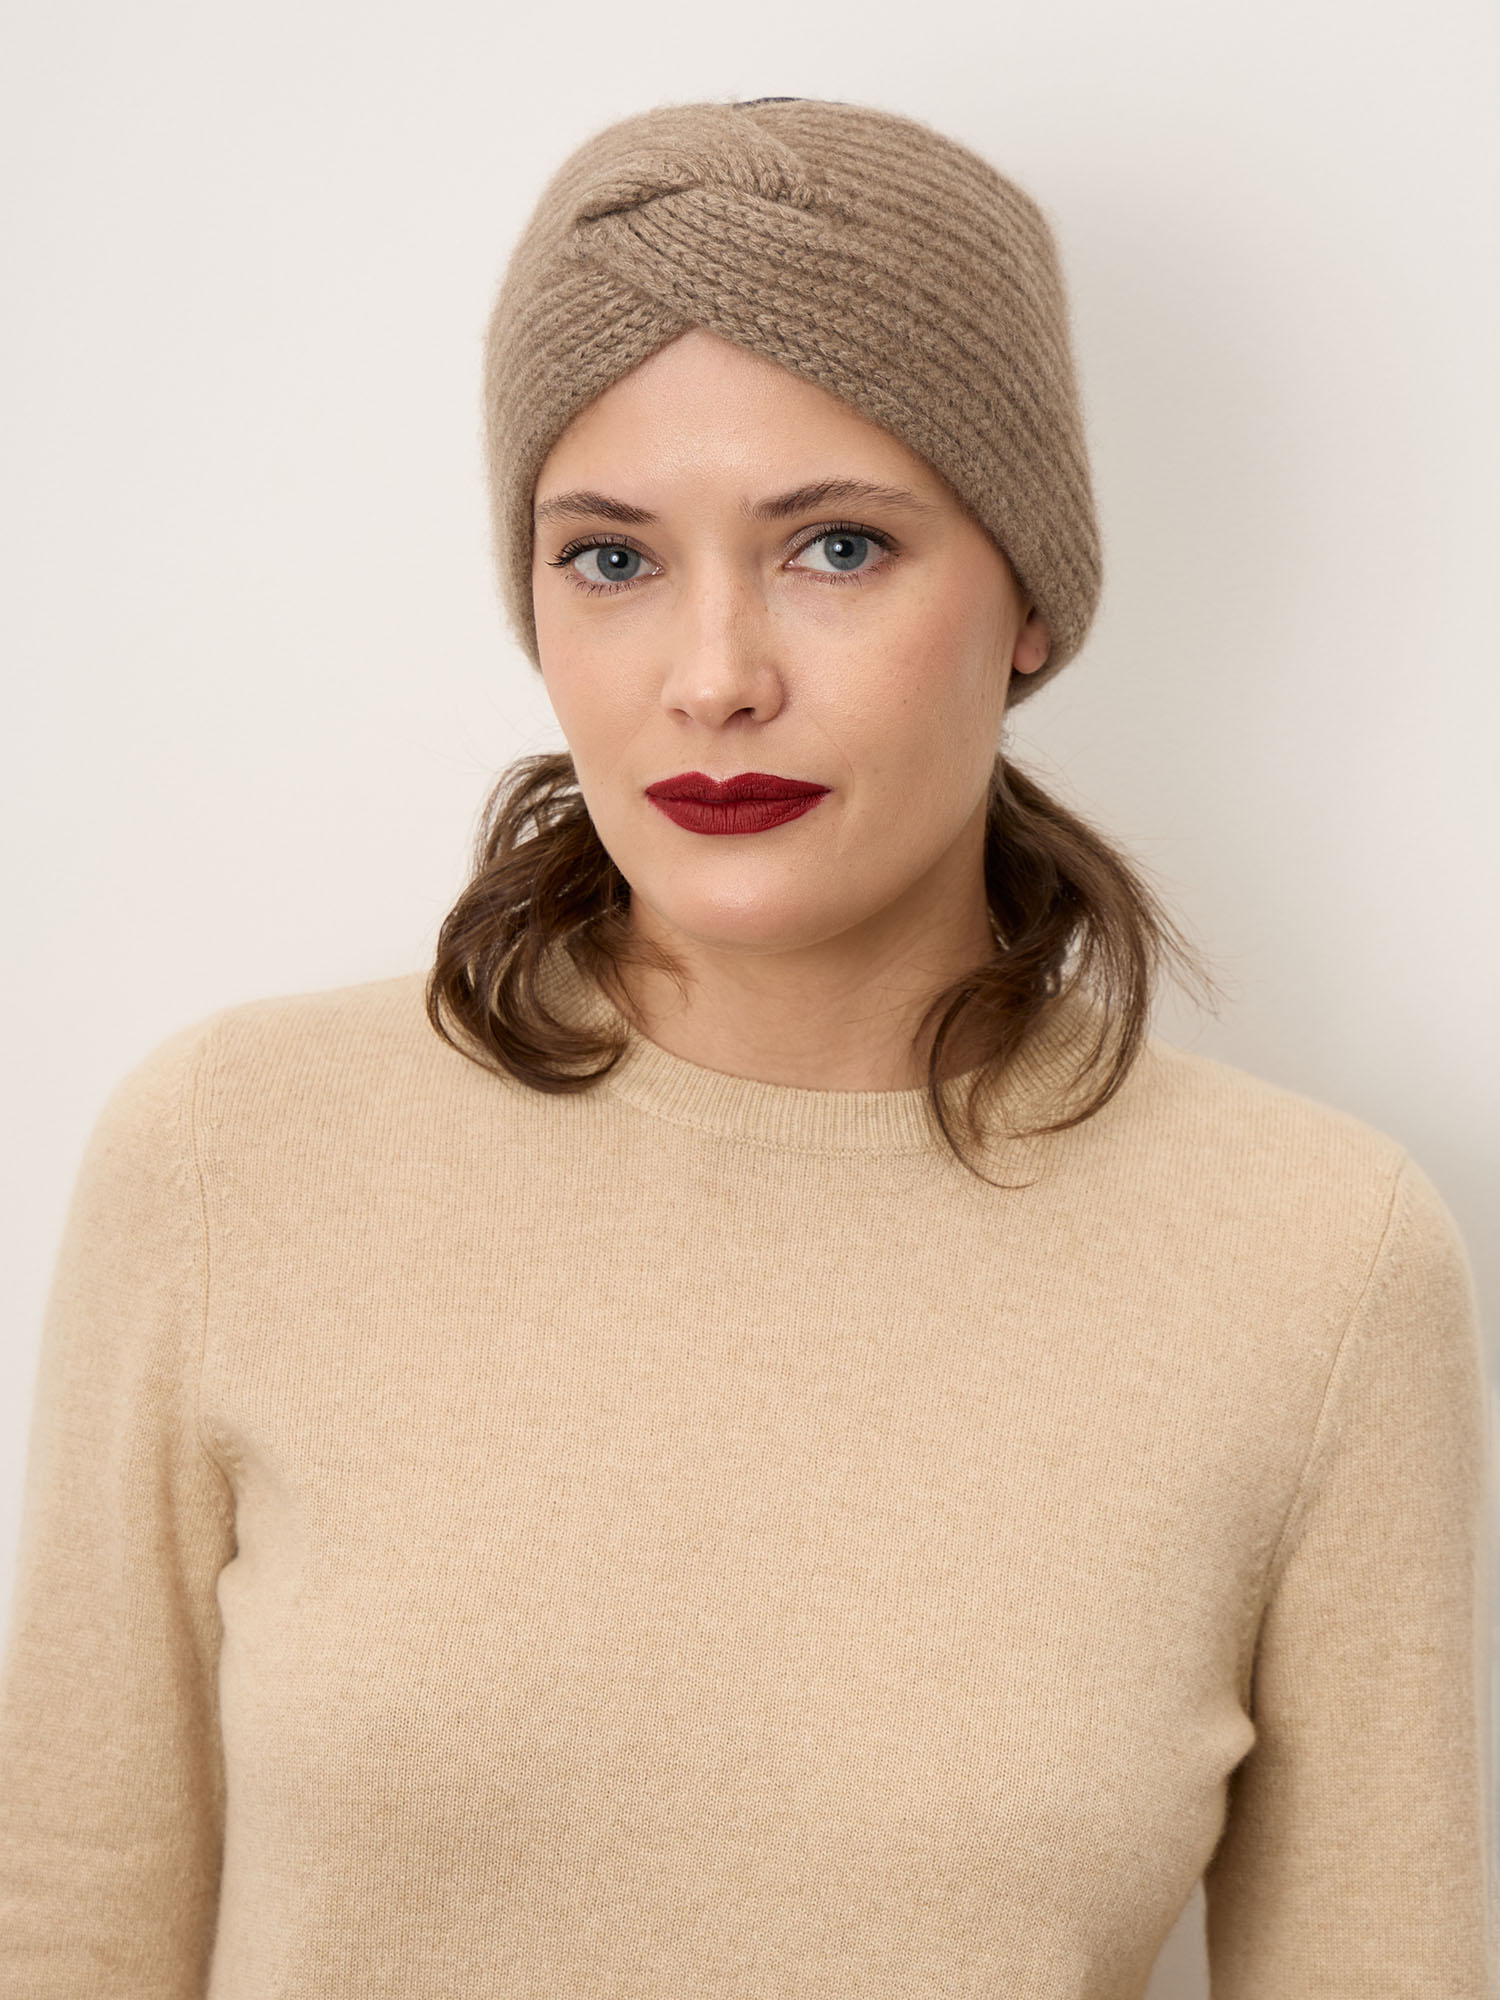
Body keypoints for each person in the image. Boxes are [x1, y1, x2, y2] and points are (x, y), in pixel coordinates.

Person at [0, 95, 1491, 1999]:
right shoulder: (235, 1154)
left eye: (837, 546)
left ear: (1031, 601)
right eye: (611, 561)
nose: (714, 679)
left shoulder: (1319, 1261)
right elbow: (63, 1925)